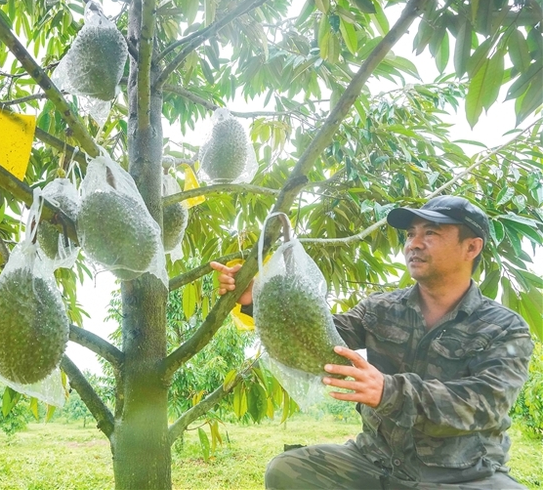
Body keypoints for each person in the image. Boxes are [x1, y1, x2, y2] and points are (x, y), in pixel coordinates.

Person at [211, 196, 534, 490]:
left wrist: (388, 391)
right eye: (410, 234)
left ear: (472, 248)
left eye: (431, 234)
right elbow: (321, 341)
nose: (414, 244)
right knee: (288, 470)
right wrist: (259, 302)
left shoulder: (504, 327)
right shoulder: (379, 308)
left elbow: (485, 405)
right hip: (375, 463)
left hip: (462, 475)